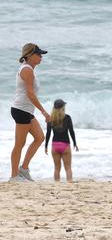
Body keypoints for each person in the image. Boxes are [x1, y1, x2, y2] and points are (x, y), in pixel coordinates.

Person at [9, 43, 50, 182]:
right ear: (29, 55)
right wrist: (44, 112)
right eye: (38, 54)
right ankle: (14, 176)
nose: (41, 57)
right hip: (21, 110)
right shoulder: (27, 70)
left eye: (41, 54)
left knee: (39, 137)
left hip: (25, 110)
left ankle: (24, 169)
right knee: (19, 144)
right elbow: (30, 94)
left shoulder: (29, 69)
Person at [44, 99, 78, 182]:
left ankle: (57, 184)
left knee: (57, 168)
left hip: (55, 146)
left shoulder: (51, 119)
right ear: (63, 107)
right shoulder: (67, 117)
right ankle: (69, 182)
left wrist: (46, 146)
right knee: (68, 168)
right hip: (65, 145)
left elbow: (48, 133)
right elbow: (71, 131)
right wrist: (74, 143)